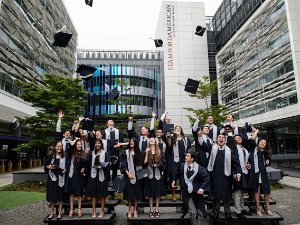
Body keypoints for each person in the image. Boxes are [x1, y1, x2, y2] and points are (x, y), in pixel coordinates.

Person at [207, 134, 241, 222]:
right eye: (219, 137)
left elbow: (236, 163)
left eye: (223, 138)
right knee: (216, 194)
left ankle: (227, 212)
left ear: (225, 141)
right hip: (215, 176)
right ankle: (216, 212)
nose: (221, 138)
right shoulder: (212, 149)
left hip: (227, 176)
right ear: (216, 140)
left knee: (227, 194)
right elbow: (202, 145)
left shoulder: (230, 151)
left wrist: (238, 173)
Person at [172, 149, 210, 220]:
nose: (185, 156)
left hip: (196, 192)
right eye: (186, 155)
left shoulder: (200, 169)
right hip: (186, 192)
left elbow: (207, 179)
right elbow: (177, 173)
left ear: (192, 158)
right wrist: (174, 180)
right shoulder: (182, 166)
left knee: (201, 212)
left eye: (188, 156)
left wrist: (202, 188)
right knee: (193, 212)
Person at [248, 137, 273, 216]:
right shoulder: (253, 150)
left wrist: (268, 161)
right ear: (258, 142)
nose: (262, 143)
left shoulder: (266, 152)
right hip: (255, 173)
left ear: (265, 145)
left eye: (264, 143)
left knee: (267, 191)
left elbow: (268, 161)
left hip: (263, 173)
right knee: (257, 191)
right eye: (261, 142)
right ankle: (258, 208)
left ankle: (267, 207)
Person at [86, 139, 110, 218]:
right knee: (93, 195)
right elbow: (88, 163)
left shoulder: (105, 153)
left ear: (101, 144)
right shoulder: (91, 153)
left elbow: (107, 164)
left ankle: (102, 211)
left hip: (102, 175)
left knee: (102, 194)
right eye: (96, 143)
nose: (97, 144)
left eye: (99, 143)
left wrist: (102, 167)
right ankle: (93, 211)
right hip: (93, 176)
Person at [167, 125, 191, 201]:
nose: (178, 129)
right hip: (173, 161)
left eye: (179, 129)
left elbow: (189, 149)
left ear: (181, 130)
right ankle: (173, 195)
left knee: (182, 178)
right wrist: (172, 137)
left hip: (182, 160)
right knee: (173, 177)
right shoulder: (172, 138)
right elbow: (169, 146)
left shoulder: (185, 139)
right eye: (176, 129)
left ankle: (182, 194)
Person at [120, 138, 143, 218]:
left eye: (133, 141)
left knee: (136, 194)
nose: (132, 143)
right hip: (128, 176)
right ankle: (129, 209)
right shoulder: (125, 152)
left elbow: (141, 165)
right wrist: (128, 173)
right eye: (131, 141)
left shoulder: (138, 153)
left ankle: (135, 210)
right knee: (129, 194)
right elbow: (123, 164)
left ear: (136, 143)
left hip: (137, 176)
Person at [64, 139, 87, 218]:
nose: (79, 145)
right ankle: (71, 209)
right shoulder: (72, 153)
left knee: (80, 193)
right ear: (75, 146)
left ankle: (79, 209)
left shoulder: (84, 154)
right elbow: (69, 148)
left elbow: (86, 164)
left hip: (80, 175)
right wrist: (76, 140)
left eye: (80, 144)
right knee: (71, 193)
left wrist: (84, 168)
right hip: (72, 175)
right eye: (78, 144)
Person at [44, 141, 66, 220]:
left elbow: (67, 166)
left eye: (60, 146)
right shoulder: (50, 155)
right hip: (52, 178)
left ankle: (60, 213)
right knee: (52, 196)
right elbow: (45, 165)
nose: (59, 148)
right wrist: (48, 167)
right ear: (55, 147)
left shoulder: (64, 156)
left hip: (60, 177)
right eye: (58, 146)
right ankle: (52, 213)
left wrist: (65, 170)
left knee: (60, 196)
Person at [144, 137, 165, 218]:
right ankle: (151, 210)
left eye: (153, 139)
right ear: (149, 142)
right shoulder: (147, 151)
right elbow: (144, 163)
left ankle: (157, 210)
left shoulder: (160, 151)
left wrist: (158, 165)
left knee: (157, 194)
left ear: (156, 141)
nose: (152, 140)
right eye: (150, 139)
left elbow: (163, 162)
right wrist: (146, 153)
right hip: (149, 175)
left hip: (157, 175)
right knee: (150, 194)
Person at [231, 134, 252, 218]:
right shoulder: (233, 148)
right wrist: (236, 173)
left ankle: (242, 208)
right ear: (234, 140)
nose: (239, 138)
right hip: (237, 172)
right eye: (236, 137)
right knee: (237, 191)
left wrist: (248, 165)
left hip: (245, 172)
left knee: (242, 192)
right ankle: (238, 211)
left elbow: (246, 161)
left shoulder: (244, 148)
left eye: (240, 137)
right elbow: (234, 161)